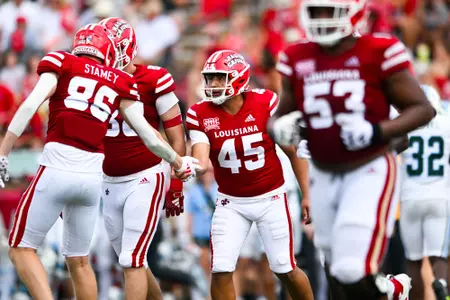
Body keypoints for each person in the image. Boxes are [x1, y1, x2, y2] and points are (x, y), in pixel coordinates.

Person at [0, 23, 198, 300]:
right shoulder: (119, 82)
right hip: (96, 180)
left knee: (22, 247)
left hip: (73, 169)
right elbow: (152, 137)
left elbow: (31, 104)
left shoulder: (63, 62)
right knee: (83, 261)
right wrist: (178, 162)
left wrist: (4, 150)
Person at [272, 0, 436, 299]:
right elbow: (282, 115)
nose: (322, 19)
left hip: (368, 168)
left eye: (329, 11)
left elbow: (422, 109)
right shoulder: (297, 56)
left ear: (353, 12)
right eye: (316, 11)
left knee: (351, 269)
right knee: (335, 271)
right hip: (322, 172)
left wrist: (376, 131)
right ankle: (391, 290)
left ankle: (394, 288)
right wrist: (279, 127)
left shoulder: (378, 51)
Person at [185, 49, 313, 300]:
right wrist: (189, 166)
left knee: (284, 268)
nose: (213, 84)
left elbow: (292, 151)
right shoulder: (199, 113)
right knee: (220, 268)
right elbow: (201, 158)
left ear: (239, 78)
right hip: (231, 202)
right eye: (210, 78)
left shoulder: (265, 102)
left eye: (220, 78)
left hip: (271, 198)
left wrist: (306, 193)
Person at [98, 17, 187, 300]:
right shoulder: (94, 79)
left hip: (146, 174)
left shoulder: (154, 78)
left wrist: (177, 183)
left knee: (131, 260)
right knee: (134, 261)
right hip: (109, 179)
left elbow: (176, 136)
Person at [399, 85, 450, 300]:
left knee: (414, 261)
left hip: (410, 196)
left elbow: (393, 149)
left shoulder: (405, 125)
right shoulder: (446, 124)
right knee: (440, 257)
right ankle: (442, 286)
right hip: (439, 195)